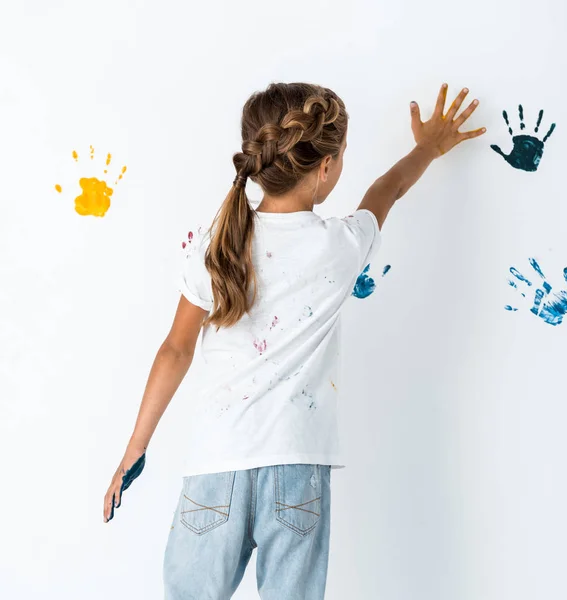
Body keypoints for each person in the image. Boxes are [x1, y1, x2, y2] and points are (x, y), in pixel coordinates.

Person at [103, 81, 485, 599]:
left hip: (217, 466)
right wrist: (427, 147)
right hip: (297, 472)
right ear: (325, 168)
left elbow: (176, 349)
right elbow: (385, 190)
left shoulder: (215, 244)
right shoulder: (338, 247)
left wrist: (134, 448)